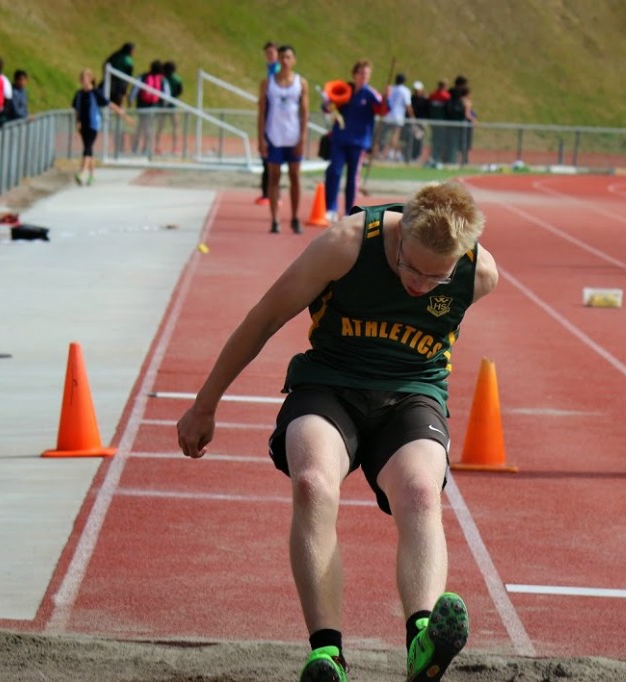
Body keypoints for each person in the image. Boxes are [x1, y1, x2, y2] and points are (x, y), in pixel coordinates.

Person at [176, 181, 495, 681]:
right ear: (400, 232)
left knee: (420, 492)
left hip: (411, 393)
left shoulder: (479, 275)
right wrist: (205, 404)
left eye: (437, 277)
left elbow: (444, 291)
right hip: (329, 384)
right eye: (409, 267)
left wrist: (435, 280)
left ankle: (422, 642)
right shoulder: (346, 244)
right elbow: (264, 318)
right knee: (312, 483)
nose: (418, 285)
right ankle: (327, 654)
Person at [322, 59, 386, 222]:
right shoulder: (346, 89)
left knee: (352, 178)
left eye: (367, 74)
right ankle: (331, 208)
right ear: (355, 74)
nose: (364, 76)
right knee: (334, 172)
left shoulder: (371, 94)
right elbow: (329, 102)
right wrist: (327, 105)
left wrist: (387, 99)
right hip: (340, 139)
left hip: (358, 142)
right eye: (361, 73)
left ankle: (349, 212)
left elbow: (382, 110)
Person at [257, 44, 308, 235]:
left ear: (293, 60)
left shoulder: (301, 83)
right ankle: (275, 220)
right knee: (274, 178)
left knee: (295, 177)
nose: (285, 61)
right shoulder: (267, 83)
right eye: (282, 57)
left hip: (293, 136)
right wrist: (261, 138)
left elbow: (304, 111)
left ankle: (295, 218)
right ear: (277, 60)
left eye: (288, 57)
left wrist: (302, 138)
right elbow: (261, 112)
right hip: (274, 136)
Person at [72, 67, 133, 186]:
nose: (83, 80)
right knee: (88, 149)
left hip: (93, 124)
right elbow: (77, 109)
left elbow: (110, 104)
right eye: (82, 78)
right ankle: (92, 175)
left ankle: (82, 172)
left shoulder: (95, 93)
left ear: (90, 79)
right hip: (83, 125)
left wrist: (124, 116)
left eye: (85, 78)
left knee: (87, 148)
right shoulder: (79, 94)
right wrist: (77, 121)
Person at [256, 41, 280, 207]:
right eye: (267, 54)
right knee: (266, 159)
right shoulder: (270, 70)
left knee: (272, 161)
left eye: (272, 53)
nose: (270, 56)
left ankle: (272, 194)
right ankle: (267, 193)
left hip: (276, 122)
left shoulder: (278, 72)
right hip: (268, 120)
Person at [131, 59, 169, 155]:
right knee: (149, 128)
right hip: (154, 107)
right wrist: (164, 106)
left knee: (140, 126)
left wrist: (131, 100)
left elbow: (135, 90)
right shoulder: (162, 79)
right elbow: (166, 95)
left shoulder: (143, 77)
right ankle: (145, 148)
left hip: (142, 106)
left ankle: (136, 147)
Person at [378, 73, 413, 162]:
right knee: (395, 136)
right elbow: (408, 105)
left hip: (388, 116)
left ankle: (384, 153)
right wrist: (412, 117)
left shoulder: (391, 89)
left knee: (384, 136)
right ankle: (391, 154)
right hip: (398, 117)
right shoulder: (405, 91)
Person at [158, 60, 183, 154]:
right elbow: (180, 91)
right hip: (173, 105)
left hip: (163, 105)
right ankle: (175, 147)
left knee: (160, 126)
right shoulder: (177, 79)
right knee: (175, 126)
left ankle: (157, 145)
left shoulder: (162, 78)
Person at [103, 42, 134, 106]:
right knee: (119, 102)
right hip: (120, 83)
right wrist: (127, 87)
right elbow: (129, 74)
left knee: (109, 100)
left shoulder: (115, 55)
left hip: (110, 80)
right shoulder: (127, 59)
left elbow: (105, 65)